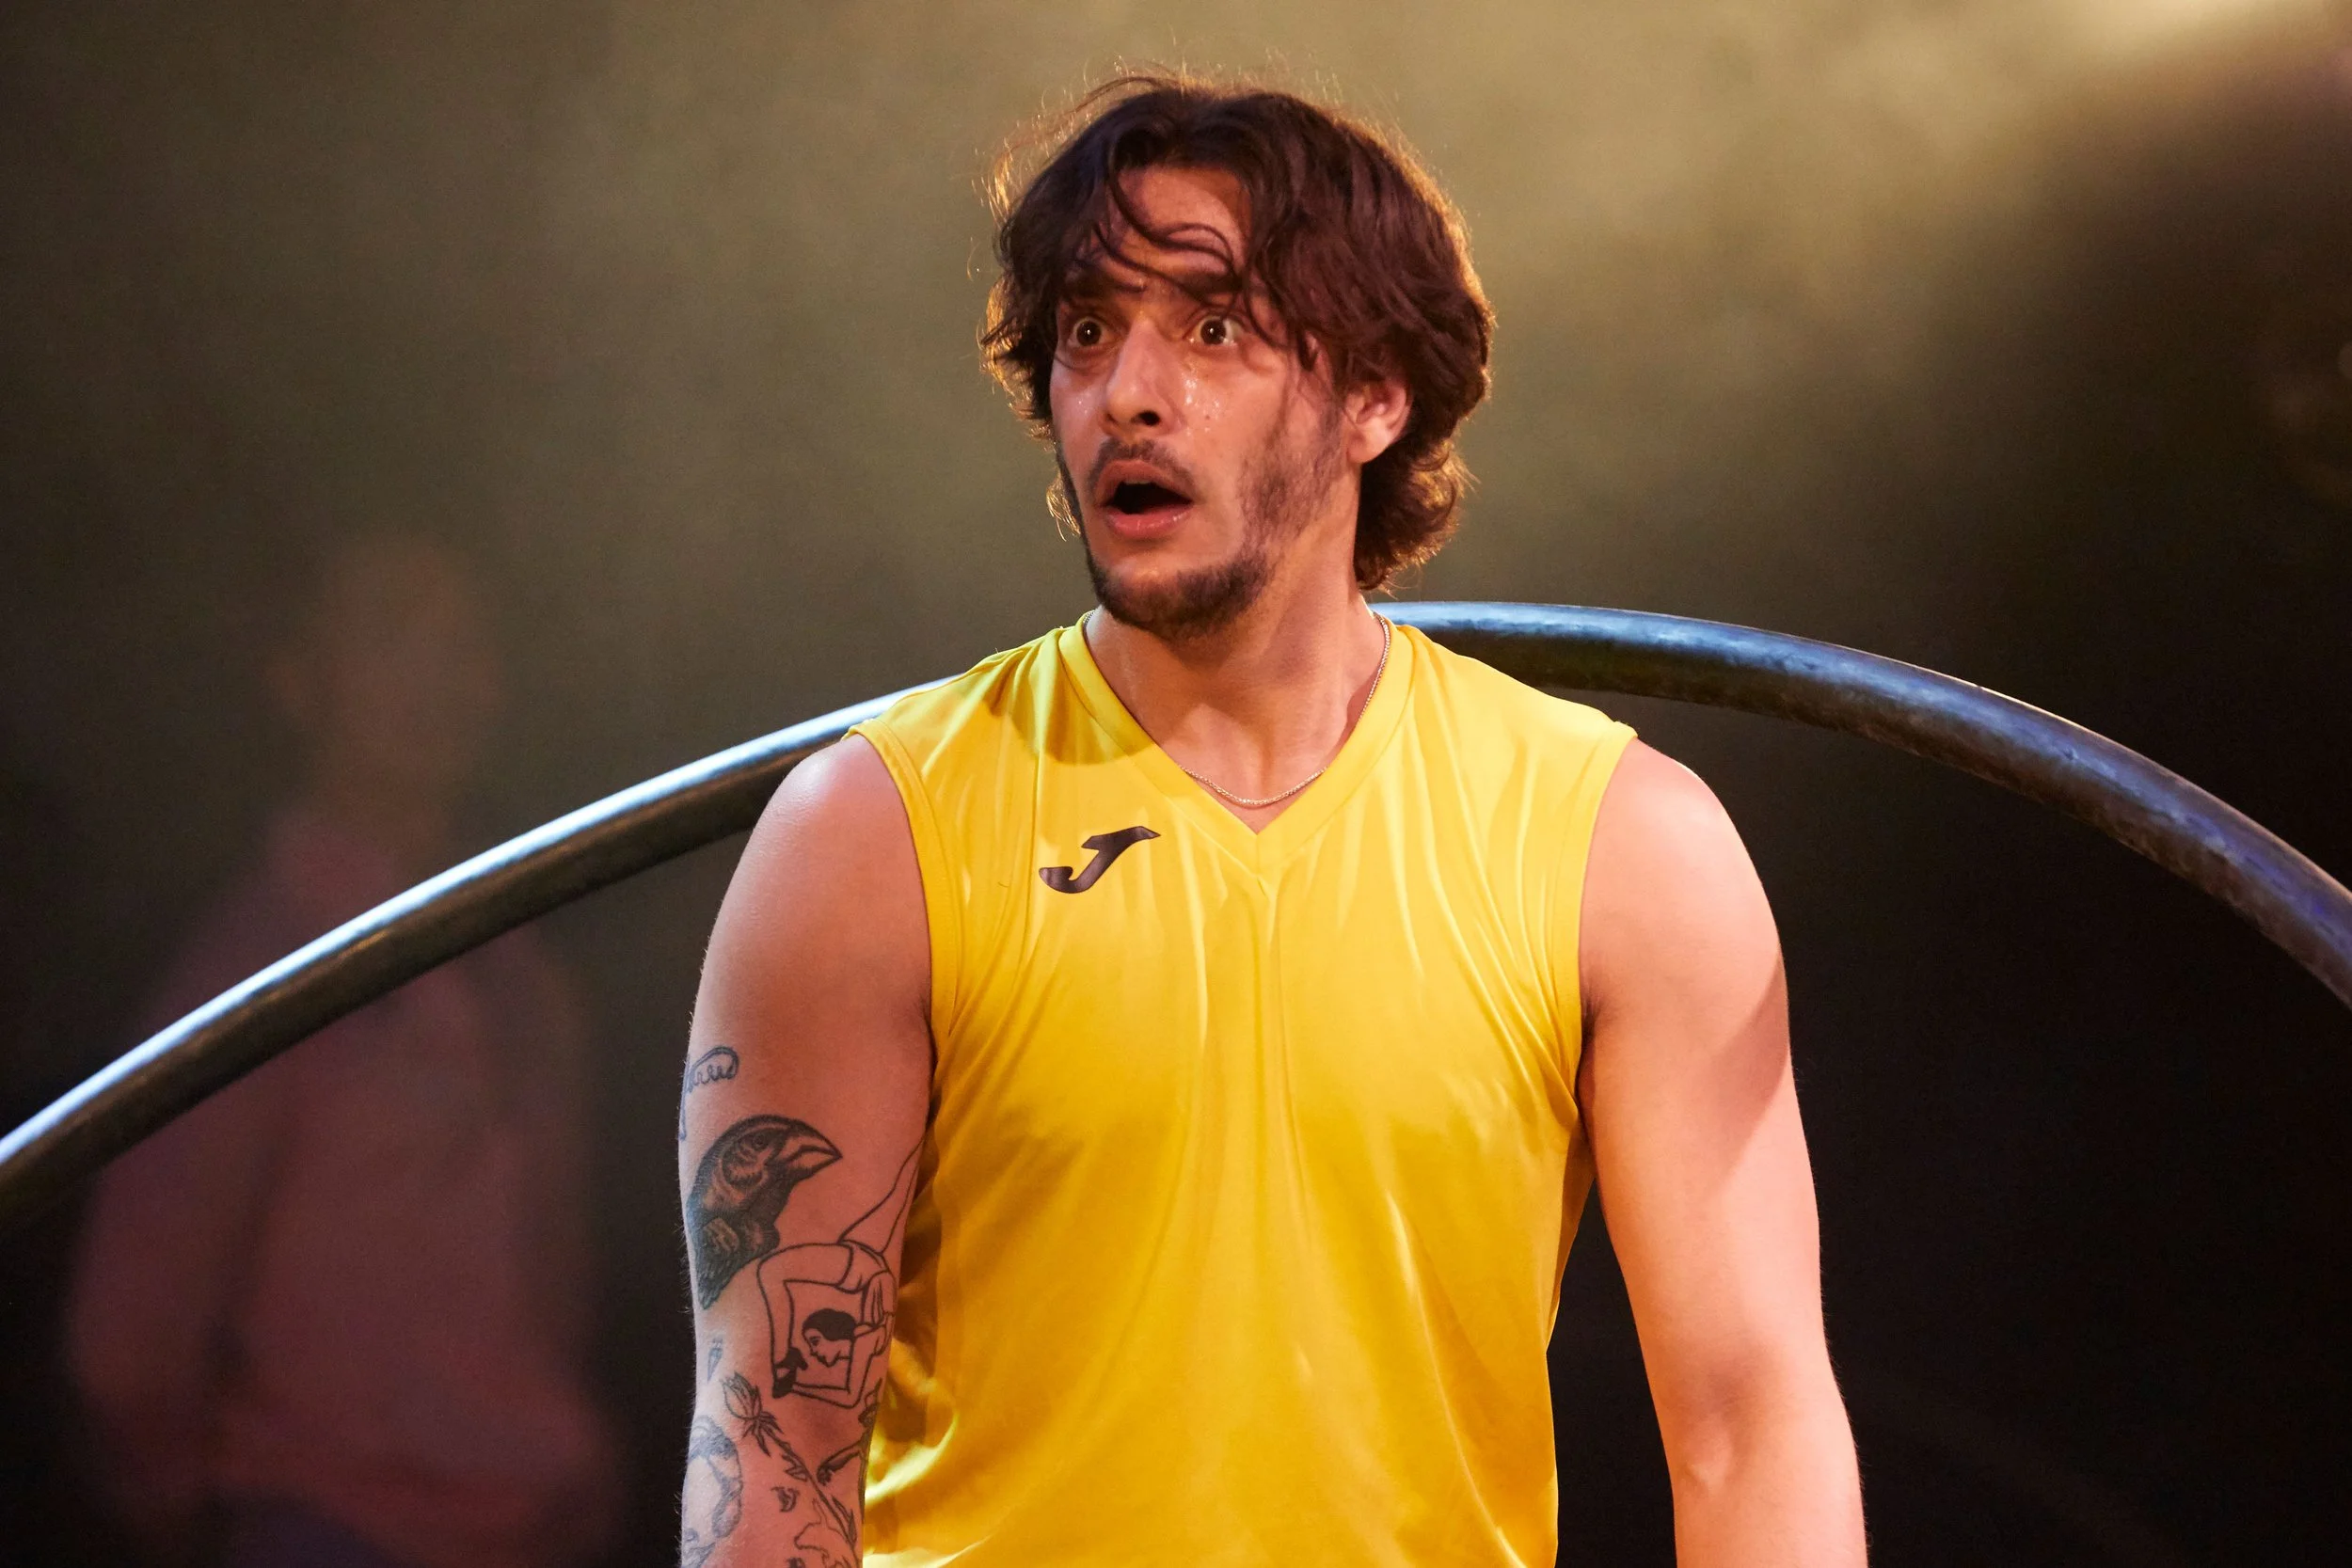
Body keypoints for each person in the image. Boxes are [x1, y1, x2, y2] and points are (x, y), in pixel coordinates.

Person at [676, 76, 1864, 1567]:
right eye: (1088, 331)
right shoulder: (871, 830)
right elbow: (774, 1450)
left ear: (1377, 398)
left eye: (1213, 327)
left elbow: (1754, 1423)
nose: (1129, 390)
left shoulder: (1623, 842)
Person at [69, 534, 614, 1568]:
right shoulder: (255, 965)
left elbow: (555, 1278)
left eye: (463, 640)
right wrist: (196, 1511)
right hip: (328, 1528)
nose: (436, 672)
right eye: (392, 632)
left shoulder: (521, 967)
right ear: (300, 682)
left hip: (532, 1530)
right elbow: (125, 1340)